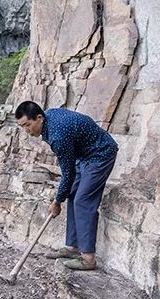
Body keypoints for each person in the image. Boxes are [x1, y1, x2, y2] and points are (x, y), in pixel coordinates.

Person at [14, 101, 118, 271]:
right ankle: (72, 247)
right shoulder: (49, 119)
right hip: (84, 154)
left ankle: (88, 258)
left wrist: (56, 201)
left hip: (101, 154)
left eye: (27, 125)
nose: (26, 130)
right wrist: (63, 196)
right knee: (73, 193)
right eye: (22, 126)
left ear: (39, 118)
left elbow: (67, 173)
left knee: (83, 200)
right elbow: (69, 172)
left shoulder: (58, 135)